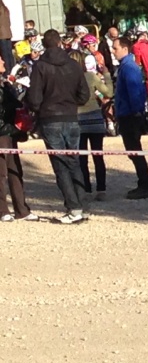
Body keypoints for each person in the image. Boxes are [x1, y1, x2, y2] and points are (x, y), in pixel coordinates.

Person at [25, 29, 91, 223]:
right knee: (74, 161)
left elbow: (34, 98)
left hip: (50, 118)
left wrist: (37, 108)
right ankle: (81, 205)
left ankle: (73, 208)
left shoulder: (41, 66)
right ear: (60, 43)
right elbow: (84, 95)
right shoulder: (74, 65)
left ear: (44, 45)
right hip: (71, 118)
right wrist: (70, 103)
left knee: (61, 165)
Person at [112, 36, 148, 199]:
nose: (113, 51)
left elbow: (135, 92)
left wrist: (137, 114)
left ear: (125, 49)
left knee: (135, 151)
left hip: (130, 115)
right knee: (133, 151)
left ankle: (145, 185)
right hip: (127, 114)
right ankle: (143, 183)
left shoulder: (129, 67)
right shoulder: (125, 66)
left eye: (115, 48)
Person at [68, 50, 113, 200]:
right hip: (95, 118)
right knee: (98, 155)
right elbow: (108, 93)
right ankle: (102, 189)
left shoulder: (68, 79)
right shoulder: (91, 77)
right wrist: (106, 75)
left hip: (78, 120)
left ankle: (85, 189)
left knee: (82, 157)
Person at [0, 55, 38, 221]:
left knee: (15, 171)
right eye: (0, 60)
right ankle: (2, 210)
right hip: (2, 133)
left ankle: (22, 210)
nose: (3, 62)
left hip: (10, 133)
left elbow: (14, 105)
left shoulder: (5, 85)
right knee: (1, 174)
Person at [0, 0, 13, 73]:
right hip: (8, 33)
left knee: (4, 55)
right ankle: (12, 71)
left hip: (1, 35)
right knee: (9, 54)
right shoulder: (5, 9)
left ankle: (7, 72)